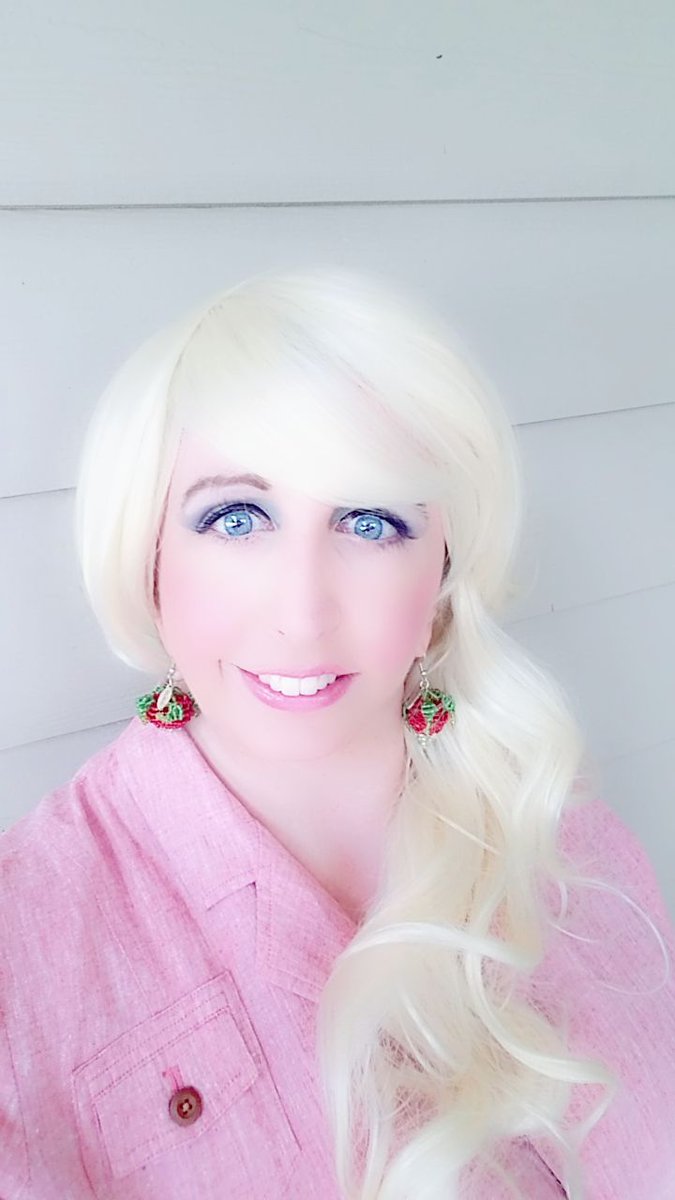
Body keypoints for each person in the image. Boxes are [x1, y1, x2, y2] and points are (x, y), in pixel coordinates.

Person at [1, 267, 674, 1200]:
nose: (303, 613)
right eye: (236, 518)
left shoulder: (561, 831)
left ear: (442, 576)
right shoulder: (25, 949)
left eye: (369, 521)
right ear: (147, 557)